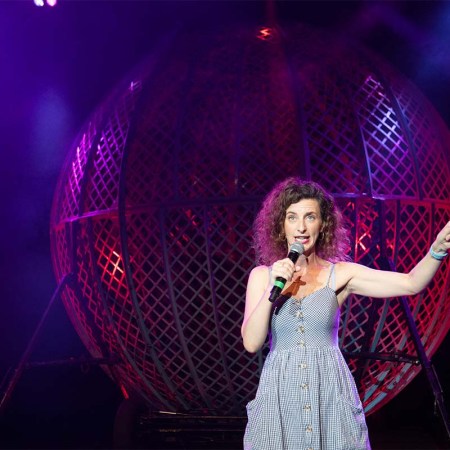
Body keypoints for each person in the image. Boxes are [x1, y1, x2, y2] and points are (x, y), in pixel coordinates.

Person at [241, 177, 450, 450]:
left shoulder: (340, 274)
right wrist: (273, 285)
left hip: (329, 392)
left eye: (310, 217)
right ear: (281, 224)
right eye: (292, 217)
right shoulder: (262, 276)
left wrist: (437, 250)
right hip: (280, 395)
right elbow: (252, 342)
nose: (301, 227)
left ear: (323, 224)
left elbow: (411, 283)